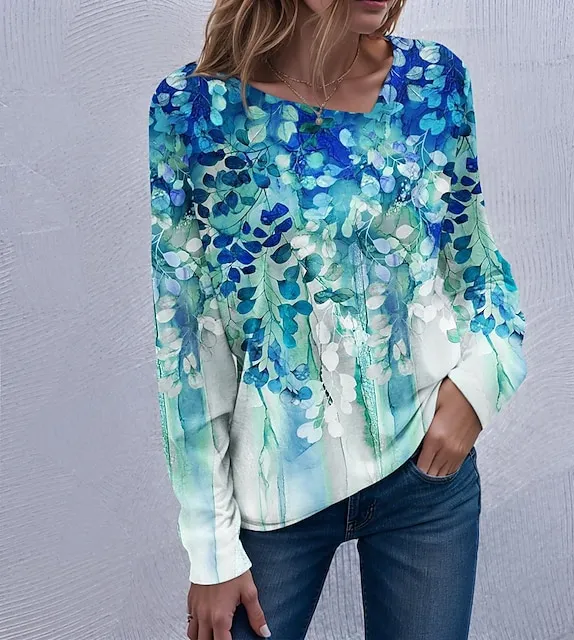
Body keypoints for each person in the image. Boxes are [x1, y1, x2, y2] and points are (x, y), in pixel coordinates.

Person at [148, 0, 528, 638]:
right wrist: (210, 549)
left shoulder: (434, 82)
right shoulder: (193, 112)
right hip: (276, 491)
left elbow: (475, 264)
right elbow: (184, 338)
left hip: (424, 476)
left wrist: (482, 382)